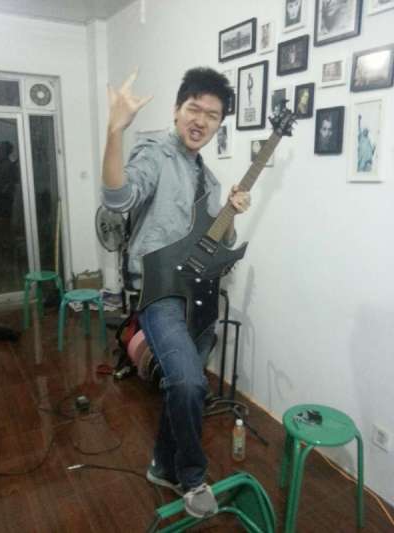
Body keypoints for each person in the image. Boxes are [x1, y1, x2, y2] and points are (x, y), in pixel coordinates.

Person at [101, 67, 251, 519]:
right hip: (160, 292)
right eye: (194, 108)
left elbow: (216, 245)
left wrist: (231, 214)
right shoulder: (156, 153)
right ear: (177, 110)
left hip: (200, 295)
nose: (201, 120)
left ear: (219, 124)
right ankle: (191, 476)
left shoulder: (210, 181)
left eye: (212, 115)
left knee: (179, 388)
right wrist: (115, 130)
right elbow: (118, 199)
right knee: (188, 382)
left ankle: (161, 466)